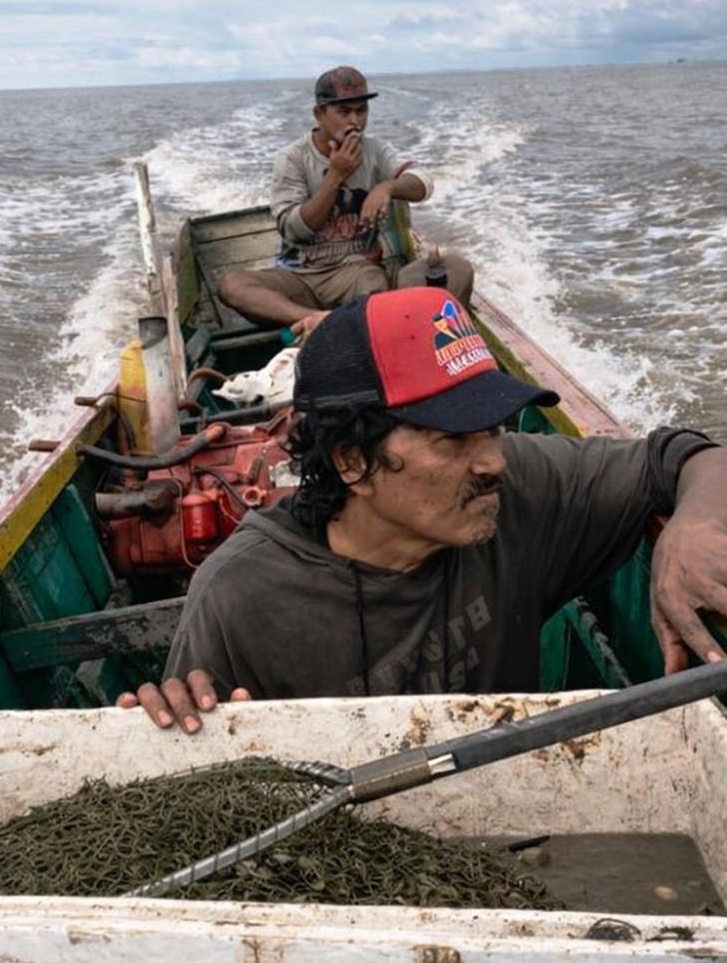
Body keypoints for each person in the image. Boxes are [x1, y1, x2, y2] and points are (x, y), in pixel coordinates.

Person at [117, 287, 727, 732]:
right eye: (453, 437)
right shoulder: (241, 596)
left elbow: (689, 458)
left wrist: (696, 523)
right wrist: (172, 720)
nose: (493, 461)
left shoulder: (516, 490)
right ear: (352, 461)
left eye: (493, 428)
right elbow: (195, 772)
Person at [217, 65, 473, 338]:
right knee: (232, 286)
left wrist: (387, 187)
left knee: (382, 285)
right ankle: (315, 319)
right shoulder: (293, 158)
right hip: (300, 276)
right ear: (320, 114)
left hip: (355, 272)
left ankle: (354, 323)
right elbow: (294, 229)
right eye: (344, 112)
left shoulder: (374, 150)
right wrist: (335, 176)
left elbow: (423, 183)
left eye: (361, 111)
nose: (355, 121)